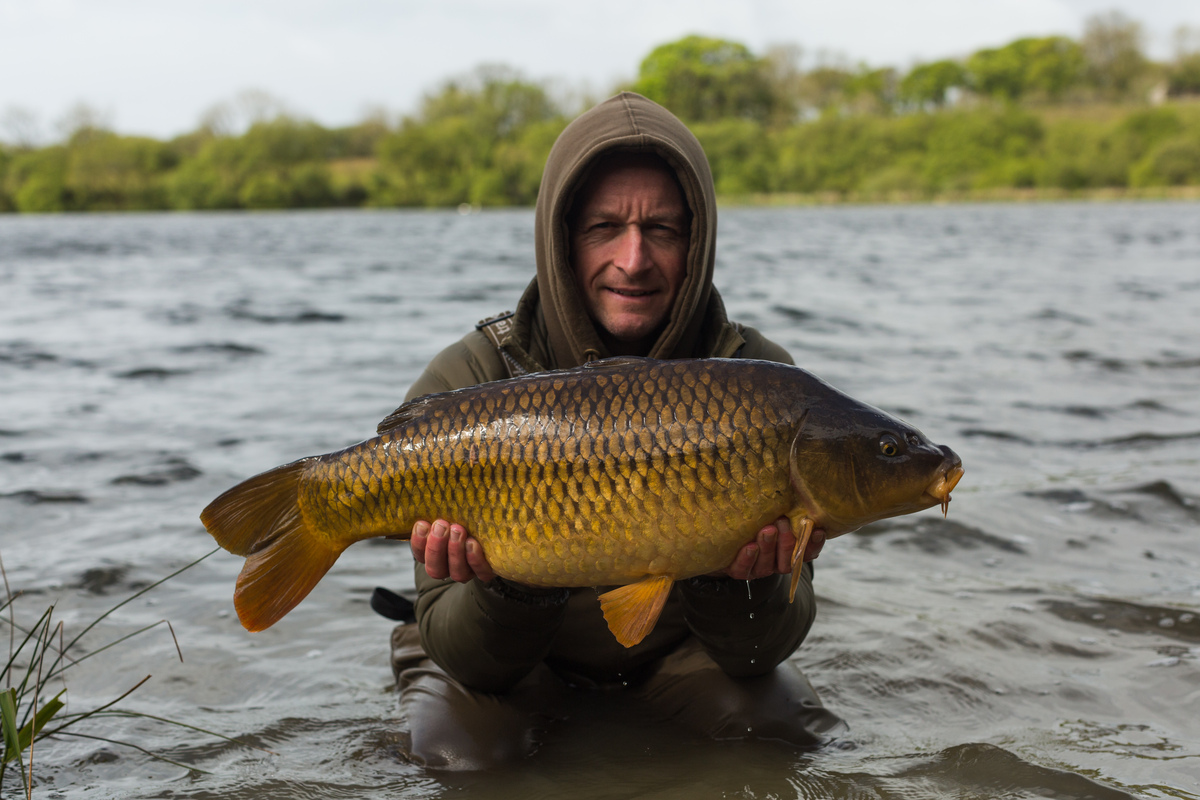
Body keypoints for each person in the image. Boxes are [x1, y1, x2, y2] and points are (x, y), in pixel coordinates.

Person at [388, 92, 846, 769]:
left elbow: (760, 652)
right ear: (562, 237)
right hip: (503, 658)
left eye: (662, 229)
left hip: (674, 655)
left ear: (698, 242)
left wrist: (733, 577)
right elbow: (470, 661)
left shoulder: (761, 384)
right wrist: (507, 583)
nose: (634, 260)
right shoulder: (473, 377)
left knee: (782, 735)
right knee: (461, 754)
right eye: (605, 227)